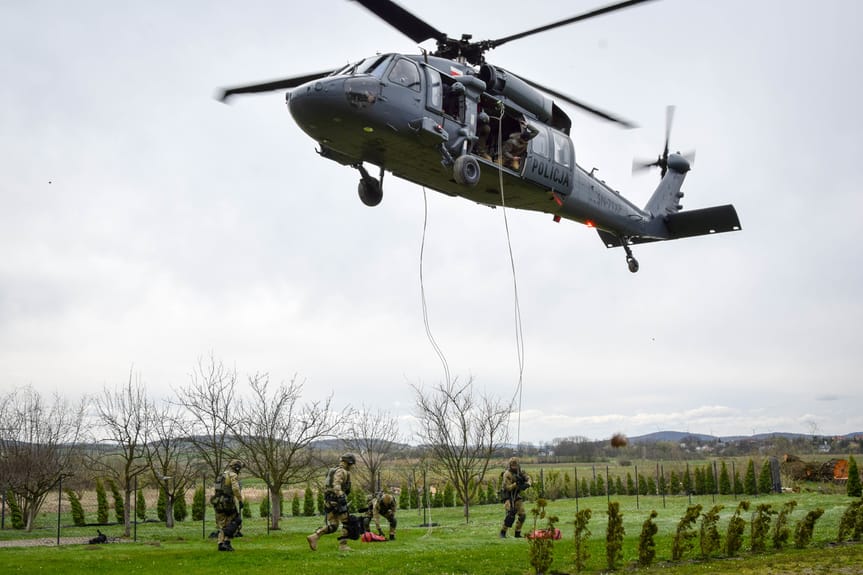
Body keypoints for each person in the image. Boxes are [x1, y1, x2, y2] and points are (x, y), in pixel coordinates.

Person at [307, 453, 357, 552]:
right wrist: (341, 496)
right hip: (337, 500)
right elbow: (336, 484)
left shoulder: (332, 470)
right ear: (348, 463)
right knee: (347, 522)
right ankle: (343, 546)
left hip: (329, 500)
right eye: (351, 464)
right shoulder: (341, 471)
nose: (352, 467)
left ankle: (314, 536)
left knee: (334, 525)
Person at [211, 459, 244, 552]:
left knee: (222, 524)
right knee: (235, 520)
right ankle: (227, 542)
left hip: (217, 501)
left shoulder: (222, 475)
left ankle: (220, 544)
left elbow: (217, 489)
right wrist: (240, 500)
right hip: (227, 502)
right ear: (237, 468)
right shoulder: (233, 475)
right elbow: (235, 489)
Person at [500, 456, 532, 538]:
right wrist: (516, 484)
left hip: (516, 494)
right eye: (512, 465)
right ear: (510, 465)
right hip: (507, 495)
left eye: (515, 465)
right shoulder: (507, 474)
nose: (514, 467)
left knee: (522, 515)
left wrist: (527, 484)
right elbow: (508, 487)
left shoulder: (520, 472)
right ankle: (503, 532)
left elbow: (528, 478)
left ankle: (517, 533)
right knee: (511, 514)